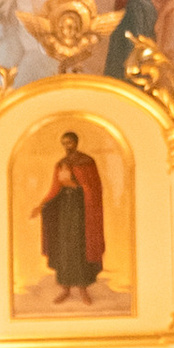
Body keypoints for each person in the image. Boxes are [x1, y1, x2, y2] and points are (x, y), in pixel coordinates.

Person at [37, 128, 105, 302]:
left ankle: (83, 289)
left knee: (80, 247)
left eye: (69, 142)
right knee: (64, 248)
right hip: (64, 211)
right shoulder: (61, 163)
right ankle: (65, 289)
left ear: (76, 142)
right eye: (64, 143)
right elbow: (55, 188)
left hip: (82, 212)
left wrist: (75, 185)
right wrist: (42, 204)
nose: (67, 146)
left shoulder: (87, 162)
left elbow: (94, 188)